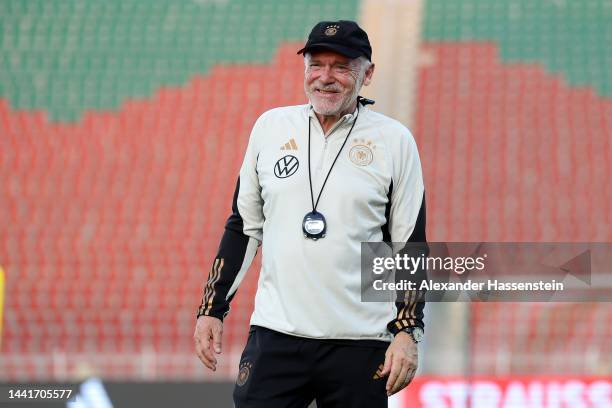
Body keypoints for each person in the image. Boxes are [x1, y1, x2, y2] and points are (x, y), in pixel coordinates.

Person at [194, 20, 427, 408]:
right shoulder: (270, 127)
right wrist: (211, 309)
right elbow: (243, 227)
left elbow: (411, 246)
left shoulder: (394, 141)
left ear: (367, 74)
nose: (325, 77)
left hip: (361, 342)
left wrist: (407, 331)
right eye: (316, 64)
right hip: (276, 336)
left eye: (341, 67)